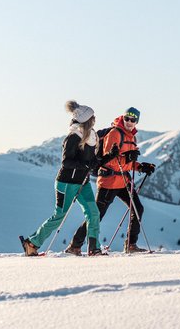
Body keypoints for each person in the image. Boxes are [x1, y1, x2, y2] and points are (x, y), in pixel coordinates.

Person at [20, 101, 118, 257]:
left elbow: (93, 164)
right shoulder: (73, 137)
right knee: (59, 216)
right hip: (66, 183)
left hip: (83, 182)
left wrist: (110, 156)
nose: (94, 119)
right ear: (86, 120)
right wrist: (85, 165)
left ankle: (94, 248)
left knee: (94, 213)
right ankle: (32, 243)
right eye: (92, 117)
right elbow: (66, 162)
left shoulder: (91, 137)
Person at [65, 107, 156, 255]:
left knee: (138, 208)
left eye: (133, 120)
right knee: (97, 215)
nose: (129, 122)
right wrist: (128, 157)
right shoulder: (115, 133)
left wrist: (141, 167)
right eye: (126, 118)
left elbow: (127, 163)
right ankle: (75, 245)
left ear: (136, 121)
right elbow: (109, 160)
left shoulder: (132, 137)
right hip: (109, 181)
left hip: (123, 181)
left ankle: (131, 244)